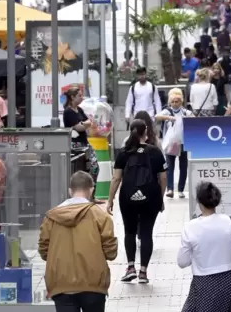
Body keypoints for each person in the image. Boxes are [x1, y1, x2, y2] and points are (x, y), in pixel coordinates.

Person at [39, 171, 118, 312]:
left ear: (70, 191)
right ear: (92, 189)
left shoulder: (51, 217)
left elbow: (44, 251)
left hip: (61, 284)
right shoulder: (100, 216)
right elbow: (111, 252)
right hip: (93, 284)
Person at [106, 119, 167, 284]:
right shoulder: (155, 152)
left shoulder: (124, 153)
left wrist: (110, 200)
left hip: (127, 197)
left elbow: (116, 178)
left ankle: (130, 267)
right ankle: (143, 272)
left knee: (129, 232)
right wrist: (160, 198)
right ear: (145, 132)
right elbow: (163, 178)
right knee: (146, 233)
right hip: (151, 197)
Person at [178, 182, 231, 312]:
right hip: (230, 280)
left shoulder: (190, 227)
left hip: (204, 283)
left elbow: (182, 262)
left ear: (199, 202)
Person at [156, 88, 193, 198]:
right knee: (169, 166)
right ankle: (170, 189)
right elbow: (157, 116)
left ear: (181, 102)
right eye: (173, 101)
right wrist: (168, 117)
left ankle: (181, 189)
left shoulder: (185, 112)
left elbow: (194, 118)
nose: (175, 103)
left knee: (183, 166)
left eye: (177, 101)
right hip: (171, 144)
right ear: (169, 102)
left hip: (183, 143)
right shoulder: (168, 111)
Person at [63, 87, 99, 183]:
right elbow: (79, 127)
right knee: (81, 169)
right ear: (72, 97)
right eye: (79, 96)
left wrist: (84, 123)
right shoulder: (68, 112)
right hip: (76, 145)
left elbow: (88, 121)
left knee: (94, 166)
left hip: (84, 143)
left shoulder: (79, 109)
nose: (81, 98)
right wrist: (84, 124)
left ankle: (91, 191)